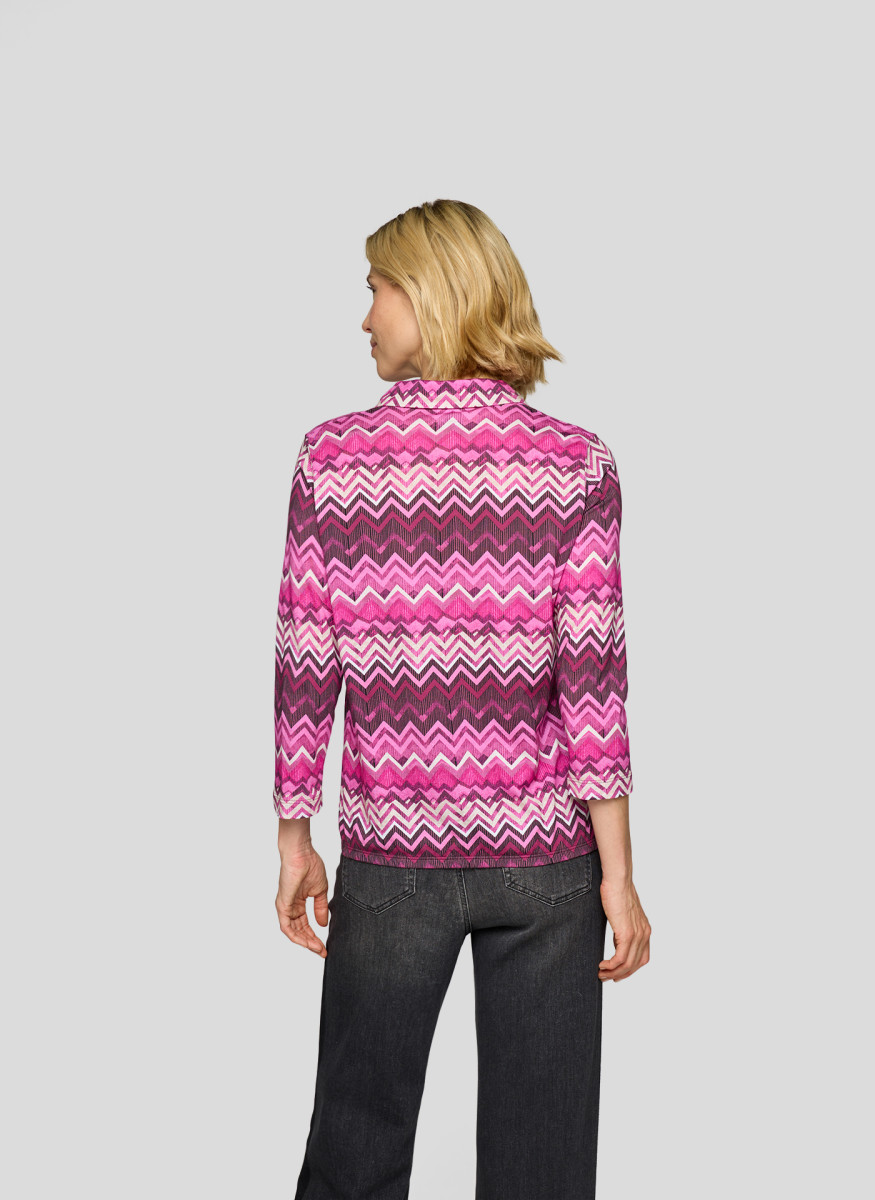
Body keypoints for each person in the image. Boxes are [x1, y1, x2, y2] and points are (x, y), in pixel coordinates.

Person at [273, 198, 651, 1200]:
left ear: (430, 295)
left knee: (353, 1148)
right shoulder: (574, 464)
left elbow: (305, 659)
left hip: (392, 855)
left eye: (377, 289)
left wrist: (294, 834)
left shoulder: (330, 460)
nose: (363, 316)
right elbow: (593, 682)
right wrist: (616, 876)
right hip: (546, 865)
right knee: (541, 1171)